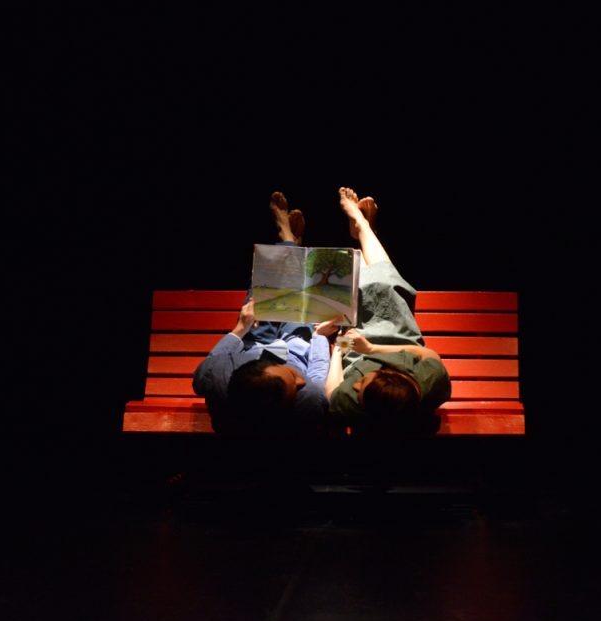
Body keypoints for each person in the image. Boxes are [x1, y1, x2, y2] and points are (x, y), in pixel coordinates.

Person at [191, 192, 341, 437]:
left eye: (292, 376)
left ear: (249, 371)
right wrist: (319, 337)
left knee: (265, 293)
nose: (301, 381)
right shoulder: (308, 401)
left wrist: (240, 328)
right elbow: (315, 373)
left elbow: (210, 366)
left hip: (254, 341)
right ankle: (291, 245)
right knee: (291, 294)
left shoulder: (218, 379)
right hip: (296, 345)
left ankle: (288, 240)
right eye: (294, 382)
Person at [325, 187, 451, 437]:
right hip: (400, 336)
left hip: (353, 343)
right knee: (385, 287)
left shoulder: (351, 405)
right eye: (363, 382)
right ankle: (363, 227)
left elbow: (332, 394)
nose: (356, 385)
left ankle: (364, 230)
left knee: (365, 288)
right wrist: (372, 349)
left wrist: (340, 346)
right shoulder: (431, 385)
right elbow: (425, 353)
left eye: (358, 388)